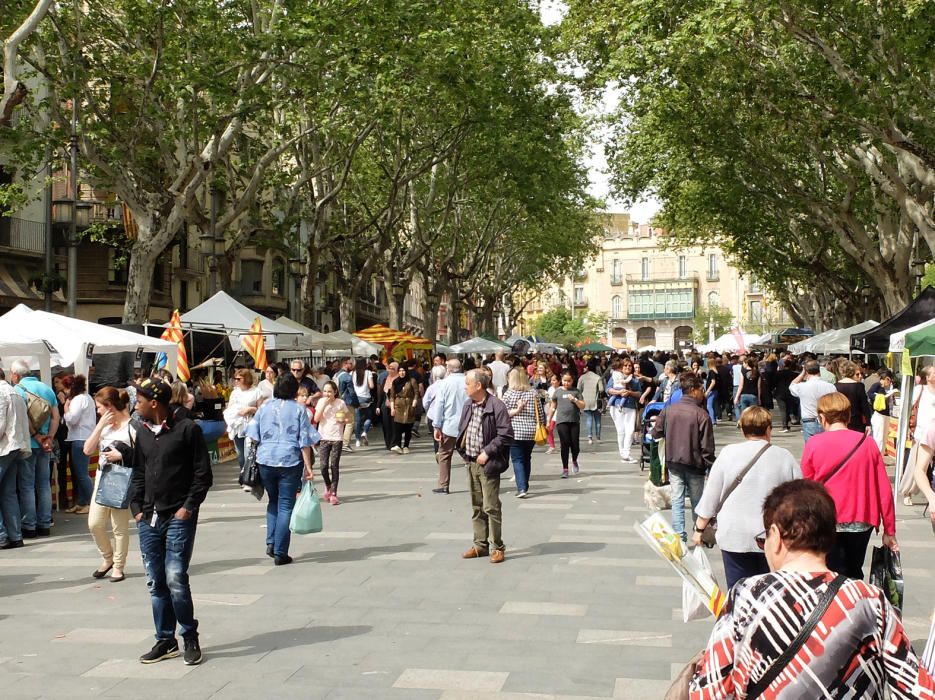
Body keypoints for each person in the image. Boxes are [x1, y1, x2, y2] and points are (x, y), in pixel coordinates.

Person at [690, 479, 935, 698]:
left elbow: (708, 691)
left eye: (764, 537)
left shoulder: (747, 595)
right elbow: (918, 689)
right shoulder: (870, 600)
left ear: (775, 535)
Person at [129, 378, 213, 666]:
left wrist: (187, 508)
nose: (134, 405)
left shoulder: (187, 429)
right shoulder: (141, 432)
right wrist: (136, 507)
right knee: (156, 581)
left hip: (178, 514)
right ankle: (165, 639)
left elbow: (203, 475)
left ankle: (189, 634)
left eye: (138, 400)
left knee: (175, 576)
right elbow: (138, 471)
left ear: (154, 403)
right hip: (148, 517)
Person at [692, 407, 801, 589]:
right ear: (768, 429)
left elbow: (712, 494)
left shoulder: (728, 453)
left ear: (742, 429)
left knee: (738, 590)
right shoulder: (784, 457)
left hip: (734, 533)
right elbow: (799, 498)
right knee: (770, 591)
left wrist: (699, 529)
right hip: (772, 535)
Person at [801, 392, 897, 579]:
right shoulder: (867, 443)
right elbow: (884, 489)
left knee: (830, 571)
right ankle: (855, 598)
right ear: (848, 415)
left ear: (822, 417)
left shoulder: (813, 443)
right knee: (854, 567)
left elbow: (807, 488)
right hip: (861, 519)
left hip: (827, 518)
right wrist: (889, 529)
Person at [245, 373, 318, 565]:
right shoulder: (299, 410)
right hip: (290, 461)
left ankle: (271, 542)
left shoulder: (264, 408)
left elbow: (252, 434)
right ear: (294, 389)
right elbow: (305, 441)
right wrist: (309, 467)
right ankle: (280, 551)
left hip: (265, 460)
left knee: (273, 502)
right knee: (286, 505)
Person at [456, 369, 513, 563]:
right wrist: (463, 451)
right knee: (476, 506)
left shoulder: (496, 406)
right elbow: (463, 428)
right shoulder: (468, 405)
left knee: (491, 506)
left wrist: (487, 452)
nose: (465, 387)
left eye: (467, 383)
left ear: (478, 385)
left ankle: (497, 546)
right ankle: (480, 545)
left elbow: (505, 434)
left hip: (488, 464)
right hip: (470, 461)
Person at [651, 373, 715, 542]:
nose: (703, 392)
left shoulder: (669, 410)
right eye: (701, 389)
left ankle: (679, 537)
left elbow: (656, 432)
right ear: (693, 390)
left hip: (674, 462)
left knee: (677, 500)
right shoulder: (702, 415)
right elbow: (707, 447)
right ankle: (698, 534)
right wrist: (711, 466)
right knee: (697, 501)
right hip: (695, 464)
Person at [83, 386, 135, 582]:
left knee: (119, 527)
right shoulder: (103, 428)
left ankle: (119, 566)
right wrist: (99, 426)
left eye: (99, 407)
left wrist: (121, 455)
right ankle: (108, 557)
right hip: (102, 479)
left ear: (110, 406)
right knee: (94, 524)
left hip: (121, 481)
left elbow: (143, 455)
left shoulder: (131, 427)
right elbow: (87, 450)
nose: (97, 411)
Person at [9, 359, 59, 539]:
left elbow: (23, 418)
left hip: (28, 444)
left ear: (15, 375)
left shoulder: (17, 391)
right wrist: (49, 438)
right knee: (44, 484)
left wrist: (37, 437)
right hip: (46, 445)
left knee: (27, 486)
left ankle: (29, 525)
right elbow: (55, 417)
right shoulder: (47, 389)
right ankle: (45, 524)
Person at [429, 359, 468, 494]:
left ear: (449, 369)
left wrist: (436, 425)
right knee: (470, 455)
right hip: (467, 424)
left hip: (449, 425)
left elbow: (439, 405)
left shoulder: (445, 383)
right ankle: (476, 483)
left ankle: (444, 484)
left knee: (445, 455)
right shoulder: (468, 381)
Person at [502, 367, 542, 498]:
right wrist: (541, 425)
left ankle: (522, 487)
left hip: (515, 431)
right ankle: (525, 484)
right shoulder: (533, 393)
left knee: (517, 460)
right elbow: (540, 413)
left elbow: (503, 414)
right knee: (527, 458)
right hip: (531, 431)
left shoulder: (508, 394)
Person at [0, 367, 28, 550]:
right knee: (8, 493)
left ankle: (2, 535)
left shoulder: (2, 393)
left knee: (8, 493)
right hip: (16, 445)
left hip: (4, 447)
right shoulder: (15, 392)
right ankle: (15, 535)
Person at [62, 374, 97, 515]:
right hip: (85, 437)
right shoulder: (87, 397)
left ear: (70, 387)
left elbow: (72, 419)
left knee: (81, 473)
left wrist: (65, 410)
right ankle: (82, 502)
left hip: (79, 438)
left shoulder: (77, 399)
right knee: (80, 472)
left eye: (65, 388)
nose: (65, 392)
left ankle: (91, 503)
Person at [313, 381, 348, 505]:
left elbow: (347, 418)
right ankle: (328, 485)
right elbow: (316, 419)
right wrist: (325, 404)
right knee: (323, 466)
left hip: (337, 437)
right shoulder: (321, 402)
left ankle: (334, 493)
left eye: (330, 391)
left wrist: (343, 420)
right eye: (325, 391)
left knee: (334, 465)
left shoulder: (340, 403)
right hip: (323, 437)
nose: (327, 394)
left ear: (335, 392)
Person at [222, 368, 261, 473]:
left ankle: (249, 475)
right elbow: (229, 408)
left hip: (251, 424)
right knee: (240, 455)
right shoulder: (235, 392)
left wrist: (251, 409)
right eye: (235, 379)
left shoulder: (256, 391)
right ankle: (244, 474)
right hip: (238, 425)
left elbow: (262, 410)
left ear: (246, 378)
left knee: (248, 453)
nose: (236, 381)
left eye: (239, 379)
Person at [789, 359, 836, 443]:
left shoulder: (802, 386)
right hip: (826, 419)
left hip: (809, 420)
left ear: (806, 372)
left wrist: (802, 373)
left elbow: (792, 385)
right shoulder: (830, 386)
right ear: (819, 371)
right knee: (826, 446)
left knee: (811, 448)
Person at [607, 357, 642, 463]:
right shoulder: (615, 376)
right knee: (621, 430)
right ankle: (623, 453)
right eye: (625, 365)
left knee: (630, 430)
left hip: (630, 406)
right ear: (621, 367)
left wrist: (630, 393)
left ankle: (626, 453)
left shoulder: (634, 380)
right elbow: (608, 389)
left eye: (629, 366)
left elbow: (639, 393)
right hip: (617, 406)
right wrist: (619, 392)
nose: (627, 367)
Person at [552, 372, 585, 478]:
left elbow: (583, 405)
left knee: (575, 446)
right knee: (564, 445)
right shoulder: (558, 392)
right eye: (564, 380)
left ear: (572, 381)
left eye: (569, 381)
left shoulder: (576, 391)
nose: (566, 383)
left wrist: (574, 400)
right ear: (561, 380)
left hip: (574, 421)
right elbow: (553, 406)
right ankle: (565, 469)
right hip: (561, 421)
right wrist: (548, 420)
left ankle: (574, 460)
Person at [835, 359, 873, 433]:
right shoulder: (859, 386)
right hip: (856, 421)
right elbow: (865, 406)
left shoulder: (836, 386)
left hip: (840, 420)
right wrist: (868, 423)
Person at [388, 365, 419, 454]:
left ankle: (406, 445)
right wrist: (392, 408)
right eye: (400, 371)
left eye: (403, 370)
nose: (402, 372)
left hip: (409, 405)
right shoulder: (395, 381)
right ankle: (397, 445)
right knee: (397, 426)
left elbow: (416, 393)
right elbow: (392, 396)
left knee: (408, 427)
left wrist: (413, 405)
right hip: (398, 406)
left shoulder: (411, 381)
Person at [867, 369, 896, 451]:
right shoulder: (877, 385)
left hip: (886, 414)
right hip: (879, 414)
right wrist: (881, 397)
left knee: (883, 438)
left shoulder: (885, 388)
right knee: (879, 438)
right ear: (886, 378)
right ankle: (877, 458)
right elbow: (869, 394)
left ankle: (880, 457)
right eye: (889, 380)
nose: (890, 383)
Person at [422, 364, 448, 454]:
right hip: (447, 415)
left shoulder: (431, 388)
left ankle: (438, 453)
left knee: (436, 437)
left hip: (432, 415)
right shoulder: (448, 386)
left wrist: (428, 409)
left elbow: (425, 403)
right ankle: (445, 453)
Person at [577, 360, 604, 445]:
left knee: (589, 419)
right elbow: (601, 389)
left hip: (585, 401)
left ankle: (590, 437)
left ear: (587, 367)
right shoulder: (598, 377)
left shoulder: (582, 377)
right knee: (598, 420)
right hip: (596, 401)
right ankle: (598, 437)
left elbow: (578, 389)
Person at [352, 358, 375, 447]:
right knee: (369, 418)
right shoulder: (368, 373)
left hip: (356, 399)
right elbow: (372, 386)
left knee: (357, 421)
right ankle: (365, 432)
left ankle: (357, 440)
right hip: (366, 398)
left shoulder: (352, 373)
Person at [376, 361, 399, 450]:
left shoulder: (399, 380)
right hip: (385, 405)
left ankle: (394, 443)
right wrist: (378, 406)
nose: (390, 370)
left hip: (396, 405)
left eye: (393, 369)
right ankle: (388, 443)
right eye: (389, 368)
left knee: (395, 425)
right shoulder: (386, 379)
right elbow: (380, 393)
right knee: (386, 424)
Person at [702, 358, 718, 426]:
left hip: (711, 391)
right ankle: (714, 419)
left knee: (709, 406)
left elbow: (713, 382)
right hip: (715, 390)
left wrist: (707, 391)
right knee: (712, 406)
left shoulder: (711, 372)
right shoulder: (716, 371)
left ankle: (712, 421)